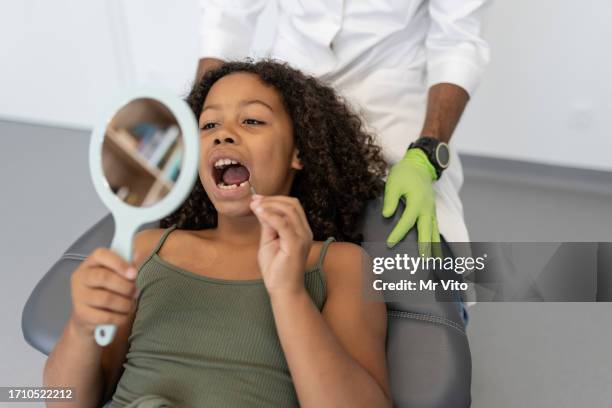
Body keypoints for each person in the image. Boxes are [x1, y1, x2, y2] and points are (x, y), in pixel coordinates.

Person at [43, 60, 392, 407]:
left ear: (298, 152)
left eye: (252, 120)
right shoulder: (148, 249)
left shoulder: (340, 265)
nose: (223, 133)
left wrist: (289, 294)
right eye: (208, 124)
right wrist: (82, 328)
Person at [196, 0, 491, 263]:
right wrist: (196, 123)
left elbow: (458, 41)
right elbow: (226, 18)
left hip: (389, 93)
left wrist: (426, 153)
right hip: (288, 82)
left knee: (426, 241)